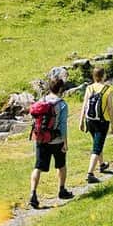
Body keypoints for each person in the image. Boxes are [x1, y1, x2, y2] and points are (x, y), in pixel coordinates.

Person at [29, 78, 72, 208]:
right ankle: (62, 190)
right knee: (61, 165)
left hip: (41, 139)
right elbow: (63, 125)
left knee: (38, 167)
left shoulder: (41, 101)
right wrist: (65, 142)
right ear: (60, 89)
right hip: (56, 140)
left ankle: (33, 194)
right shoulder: (62, 104)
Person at [79, 67, 113, 184]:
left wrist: (81, 121)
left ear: (93, 76)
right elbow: (110, 108)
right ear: (103, 76)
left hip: (90, 121)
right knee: (97, 148)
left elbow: (84, 106)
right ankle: (90, 173)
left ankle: (102, 164)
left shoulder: (89, 88)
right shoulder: (108, 89)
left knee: (97, 142)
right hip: (102, 121)